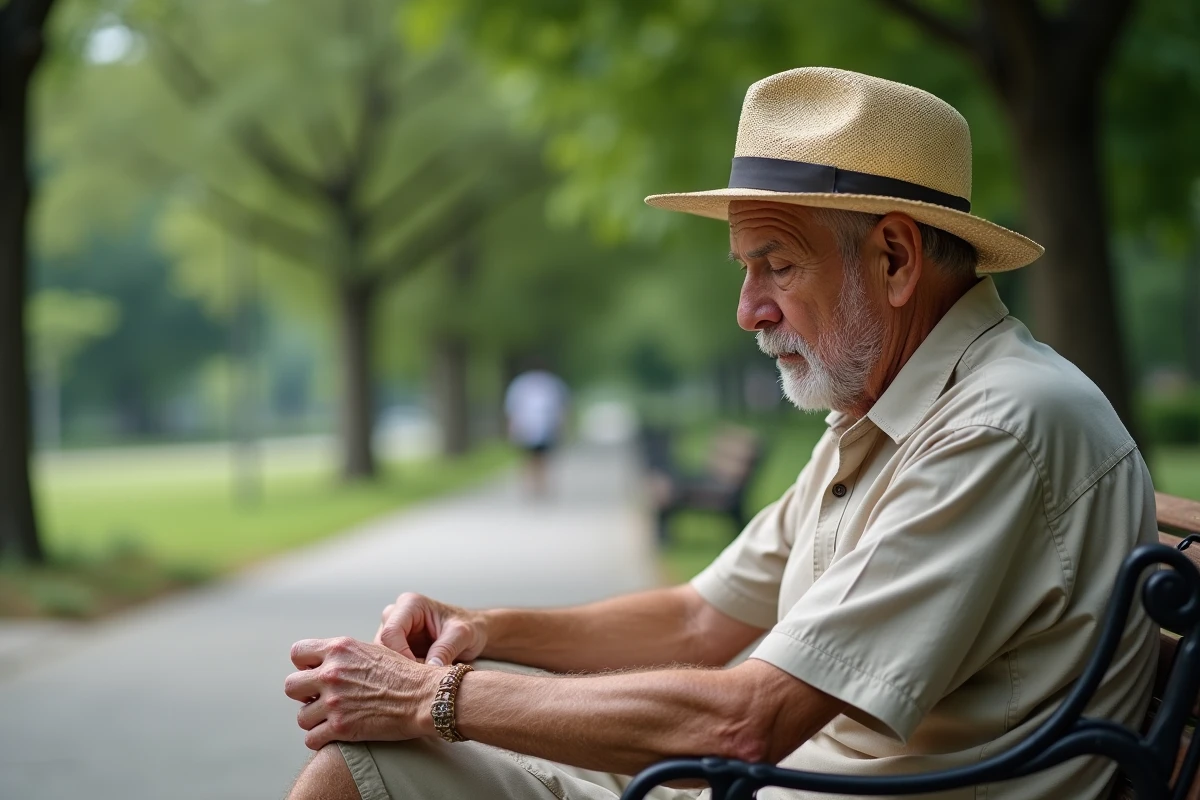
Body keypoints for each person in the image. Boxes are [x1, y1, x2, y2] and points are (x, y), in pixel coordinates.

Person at [283, 68, 1157, 800]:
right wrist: (482, 625)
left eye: (776, 265)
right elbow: (700, 618)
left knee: (365, 769)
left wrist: (432, 695)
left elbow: (745, 722)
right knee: (363, 770)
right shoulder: (898, 415)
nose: (748, 310)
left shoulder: (1000, 427)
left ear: (894, 259)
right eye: (747, 271)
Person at [504, 364, 570, 496]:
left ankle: (535, 486)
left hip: (535, 427)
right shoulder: (551, 383)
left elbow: (511, 407)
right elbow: (562, 407)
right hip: (533, 427)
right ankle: (536, 486)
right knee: (538, 458)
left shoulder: (522, 383)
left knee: (533, 458)